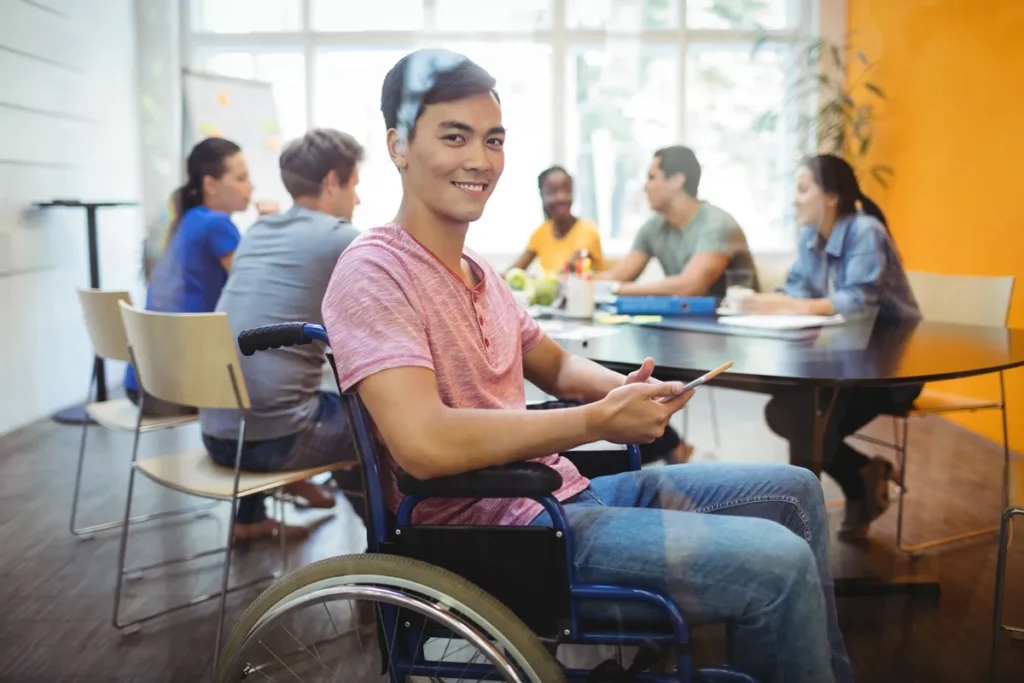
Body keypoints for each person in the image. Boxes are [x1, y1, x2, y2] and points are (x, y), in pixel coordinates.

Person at [321, 49, 853, 683]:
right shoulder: (374, 271)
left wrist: (630, 392)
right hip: (496, 533)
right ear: (399, 146)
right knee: (781, 562)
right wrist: (596, 420)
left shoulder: (478, 271)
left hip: (554, 496)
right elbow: (424, 445)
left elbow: (555, 364)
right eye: (454, 137)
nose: (479, 160)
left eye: (492, 140)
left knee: (795, 491)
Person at [740, 154, 922, 542]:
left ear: (831, 197)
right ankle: (860, 483)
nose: (795, 200)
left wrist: (780, 304)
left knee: (797, 417)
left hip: (890, 370)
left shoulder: (865, 231)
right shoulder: (811, 238)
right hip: (840, 363)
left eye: (803, 189)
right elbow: (796, 293)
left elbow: (856, 302)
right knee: (790, 411)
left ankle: (800, 536)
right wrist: (767, 303)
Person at [200, 129, 365, 542]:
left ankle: (250, 517)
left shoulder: (259, 231)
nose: (357, 200)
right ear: (332, 182)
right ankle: (393, 548)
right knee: (382, 424)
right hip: (275, 441)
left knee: (277, 383)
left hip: (218, 435)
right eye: (355, 186)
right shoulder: (341, 238)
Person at [124, 137, 253, 416]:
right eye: (241, 178)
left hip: (144, 382)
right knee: (275, 389)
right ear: (210, 184)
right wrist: (270, 226)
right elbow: (253, 290)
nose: (250, 187)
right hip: (177, 389)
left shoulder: (185, 219)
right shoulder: (217, 225)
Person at [595, 146, 758, 299]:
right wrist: (577, 283)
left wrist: (616, 289)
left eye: (652, 178)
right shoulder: (653, 227)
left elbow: (690, 287)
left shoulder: (718, 225)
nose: (645, 187)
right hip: (683, 322)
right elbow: (618, 276)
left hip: (729, 323)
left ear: (677, 180)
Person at [507, 166, 604, 275]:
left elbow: (571, 269)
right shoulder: (541, 232)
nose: (561, 197)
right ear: (542, 195)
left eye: (567, 190)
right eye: (552, 192)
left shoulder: (587, 229)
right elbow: (514, 271)